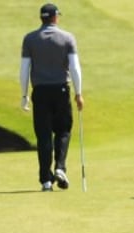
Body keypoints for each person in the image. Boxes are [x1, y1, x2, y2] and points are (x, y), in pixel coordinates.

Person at [20, 3, 83, 192]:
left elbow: (24, 70)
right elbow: (74, 68)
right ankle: (60, 167)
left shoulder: (30, 39)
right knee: (63, 131)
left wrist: (24, 95)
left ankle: (45, 180)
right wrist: (79, 93)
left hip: (40, 92)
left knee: (43, 135)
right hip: (61, 90)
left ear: (42, 18)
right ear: (55, 17)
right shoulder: (67, 38)